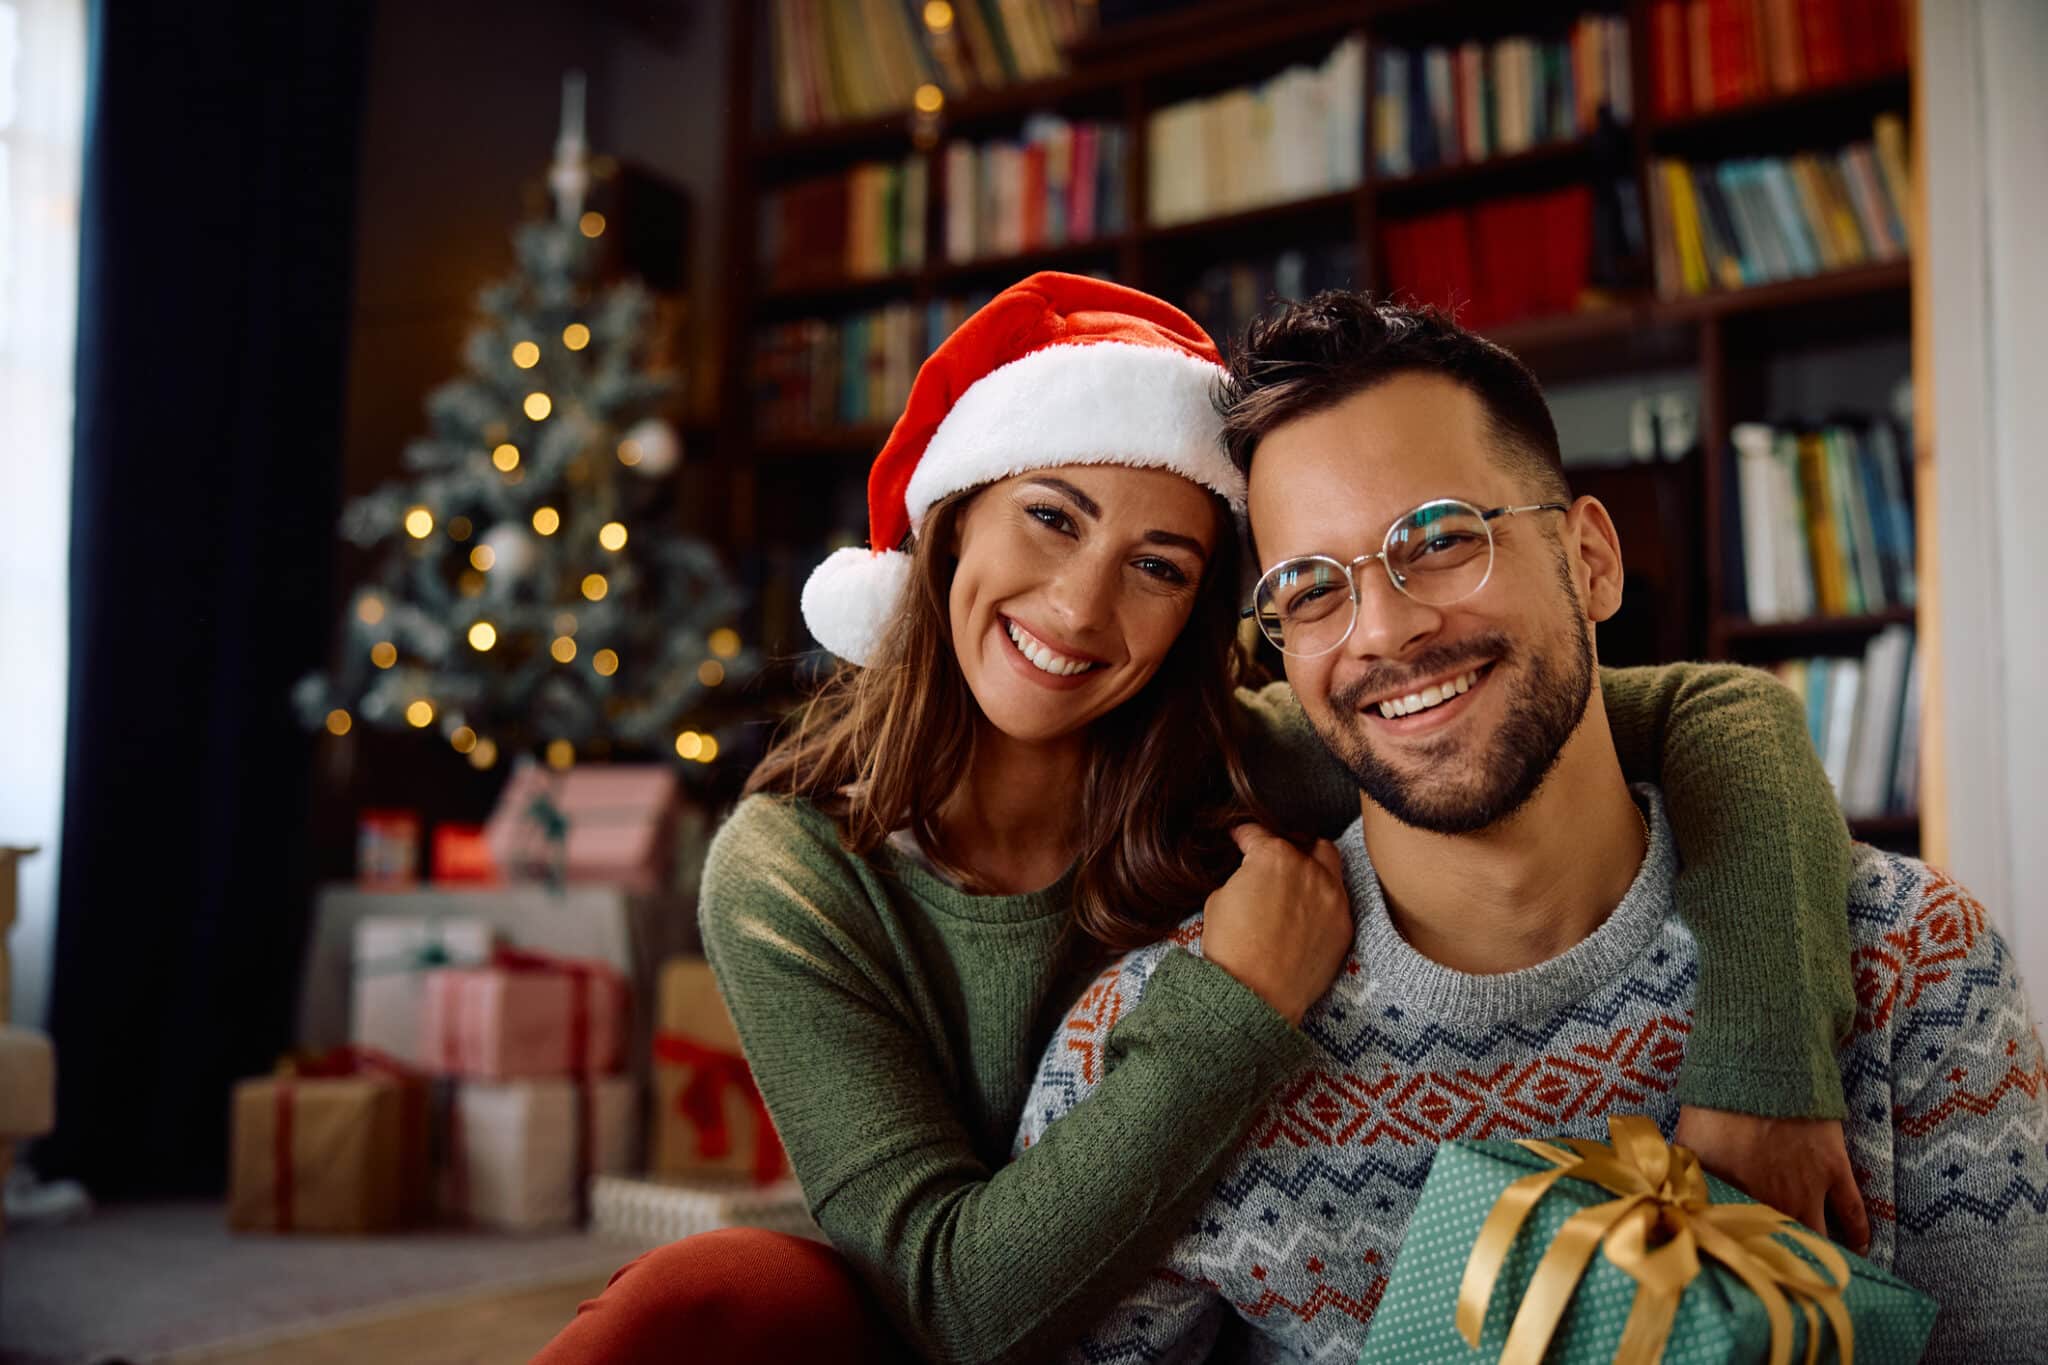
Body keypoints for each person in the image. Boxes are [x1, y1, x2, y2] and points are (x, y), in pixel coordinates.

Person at [532, 274, 1861, 1365]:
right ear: (947, 527)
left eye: (1158, 566)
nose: (1078, 608)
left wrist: (1761, 1067)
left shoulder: (1252, 751)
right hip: (939, 1328)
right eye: (1049, 518)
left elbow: (1715, 712)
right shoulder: (790, 864)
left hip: (1187, 1304)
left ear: (1203, 616)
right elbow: (945, 1300)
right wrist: (1234, 1002)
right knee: (702, 1295)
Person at [1018, 291, 2048, 1364]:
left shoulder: (1914, 963)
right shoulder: (1142, 1054)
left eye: (1438, 536)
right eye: (1310, 589)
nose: (1387, 629)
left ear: (1589, 561)